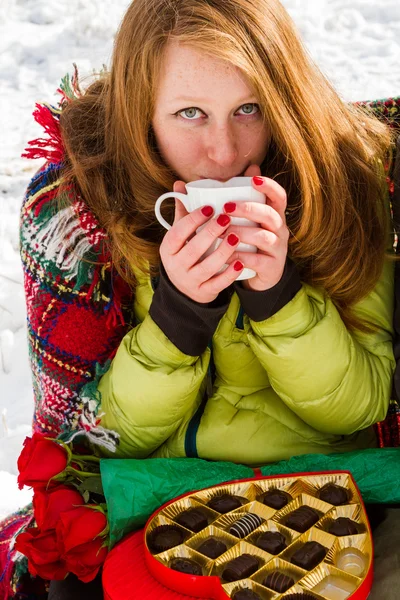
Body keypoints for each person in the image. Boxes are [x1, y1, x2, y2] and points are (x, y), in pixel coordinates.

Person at [7, 0, 400, 598]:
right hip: (165, 507)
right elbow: (97, 441)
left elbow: (361, 408)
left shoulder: (344, 187)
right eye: (190, 113)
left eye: (249, 109)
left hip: (341, 500)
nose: (224, 150)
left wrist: (280, 298)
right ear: (142, 117)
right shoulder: (91, 215)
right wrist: (178, 319)